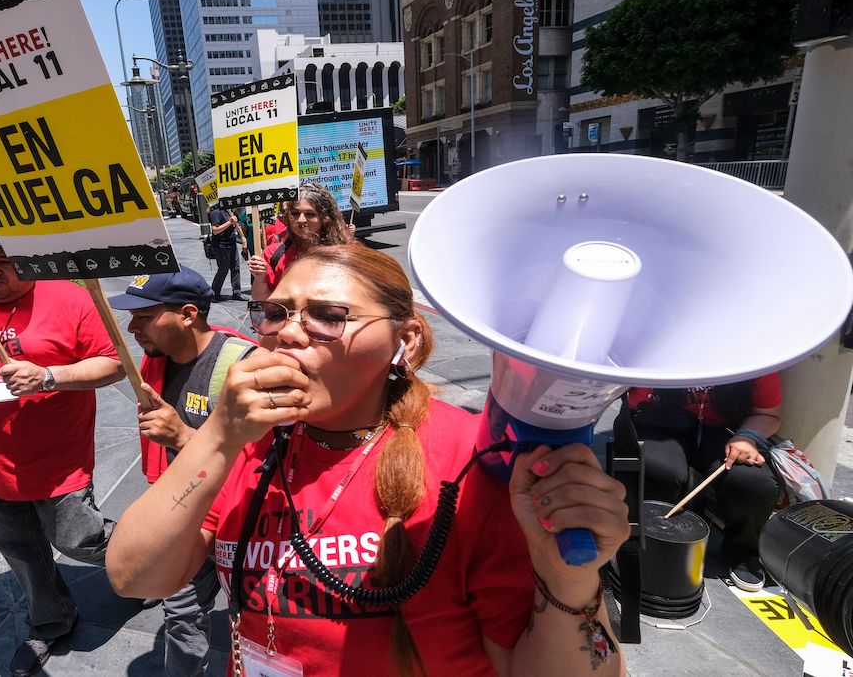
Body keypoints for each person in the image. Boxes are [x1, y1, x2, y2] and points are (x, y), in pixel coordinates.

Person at [107, 244, 629, 677]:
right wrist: (217, 436)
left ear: (404, 340)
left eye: (329, 317)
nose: (287, 332)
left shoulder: (470, 464)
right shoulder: (247, 442)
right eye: (276, 312)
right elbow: (136, 576)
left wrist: (568, 582)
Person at [0, 215, 126, 677]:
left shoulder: (71, 297)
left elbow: (114, 364)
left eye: (5, 261)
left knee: (79, 539)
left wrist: (49, 375)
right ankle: (51, 620)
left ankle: (155, 558)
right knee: (21, 551)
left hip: (56, 460)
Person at [108, 267, 256, 676]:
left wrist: (181, 438)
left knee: (255, 612)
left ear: (189, 314)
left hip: (238, 523)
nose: (132, 327)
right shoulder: (156, 359)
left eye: (144, 316)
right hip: (184, 515)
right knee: (182, 614)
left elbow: (260, 466)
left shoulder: (243, 366)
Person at [619, 377, 781, 591]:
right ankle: (645, 542)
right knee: (659, 472)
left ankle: (742, 552)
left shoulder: (756, 357)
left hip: (725, 431)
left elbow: (768, 413)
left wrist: (747, 437)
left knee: (754, 483)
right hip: (659, 423)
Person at [247, 183, 354, 301]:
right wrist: (260, 278)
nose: (301, 220)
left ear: (325, 218)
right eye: (295, 213)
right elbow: (263, 300)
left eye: (310, 214)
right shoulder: (273, 254)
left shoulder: (346, 254)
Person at [207, 203, 246, 303]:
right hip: (221, 246)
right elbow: (215, 230)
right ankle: (214, 293)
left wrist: (242, 238)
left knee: (235, 267)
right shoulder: (216, 213)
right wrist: (229, 222)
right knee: (223, 269)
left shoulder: (228, 212)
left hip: (231, 243)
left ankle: (237, 292)